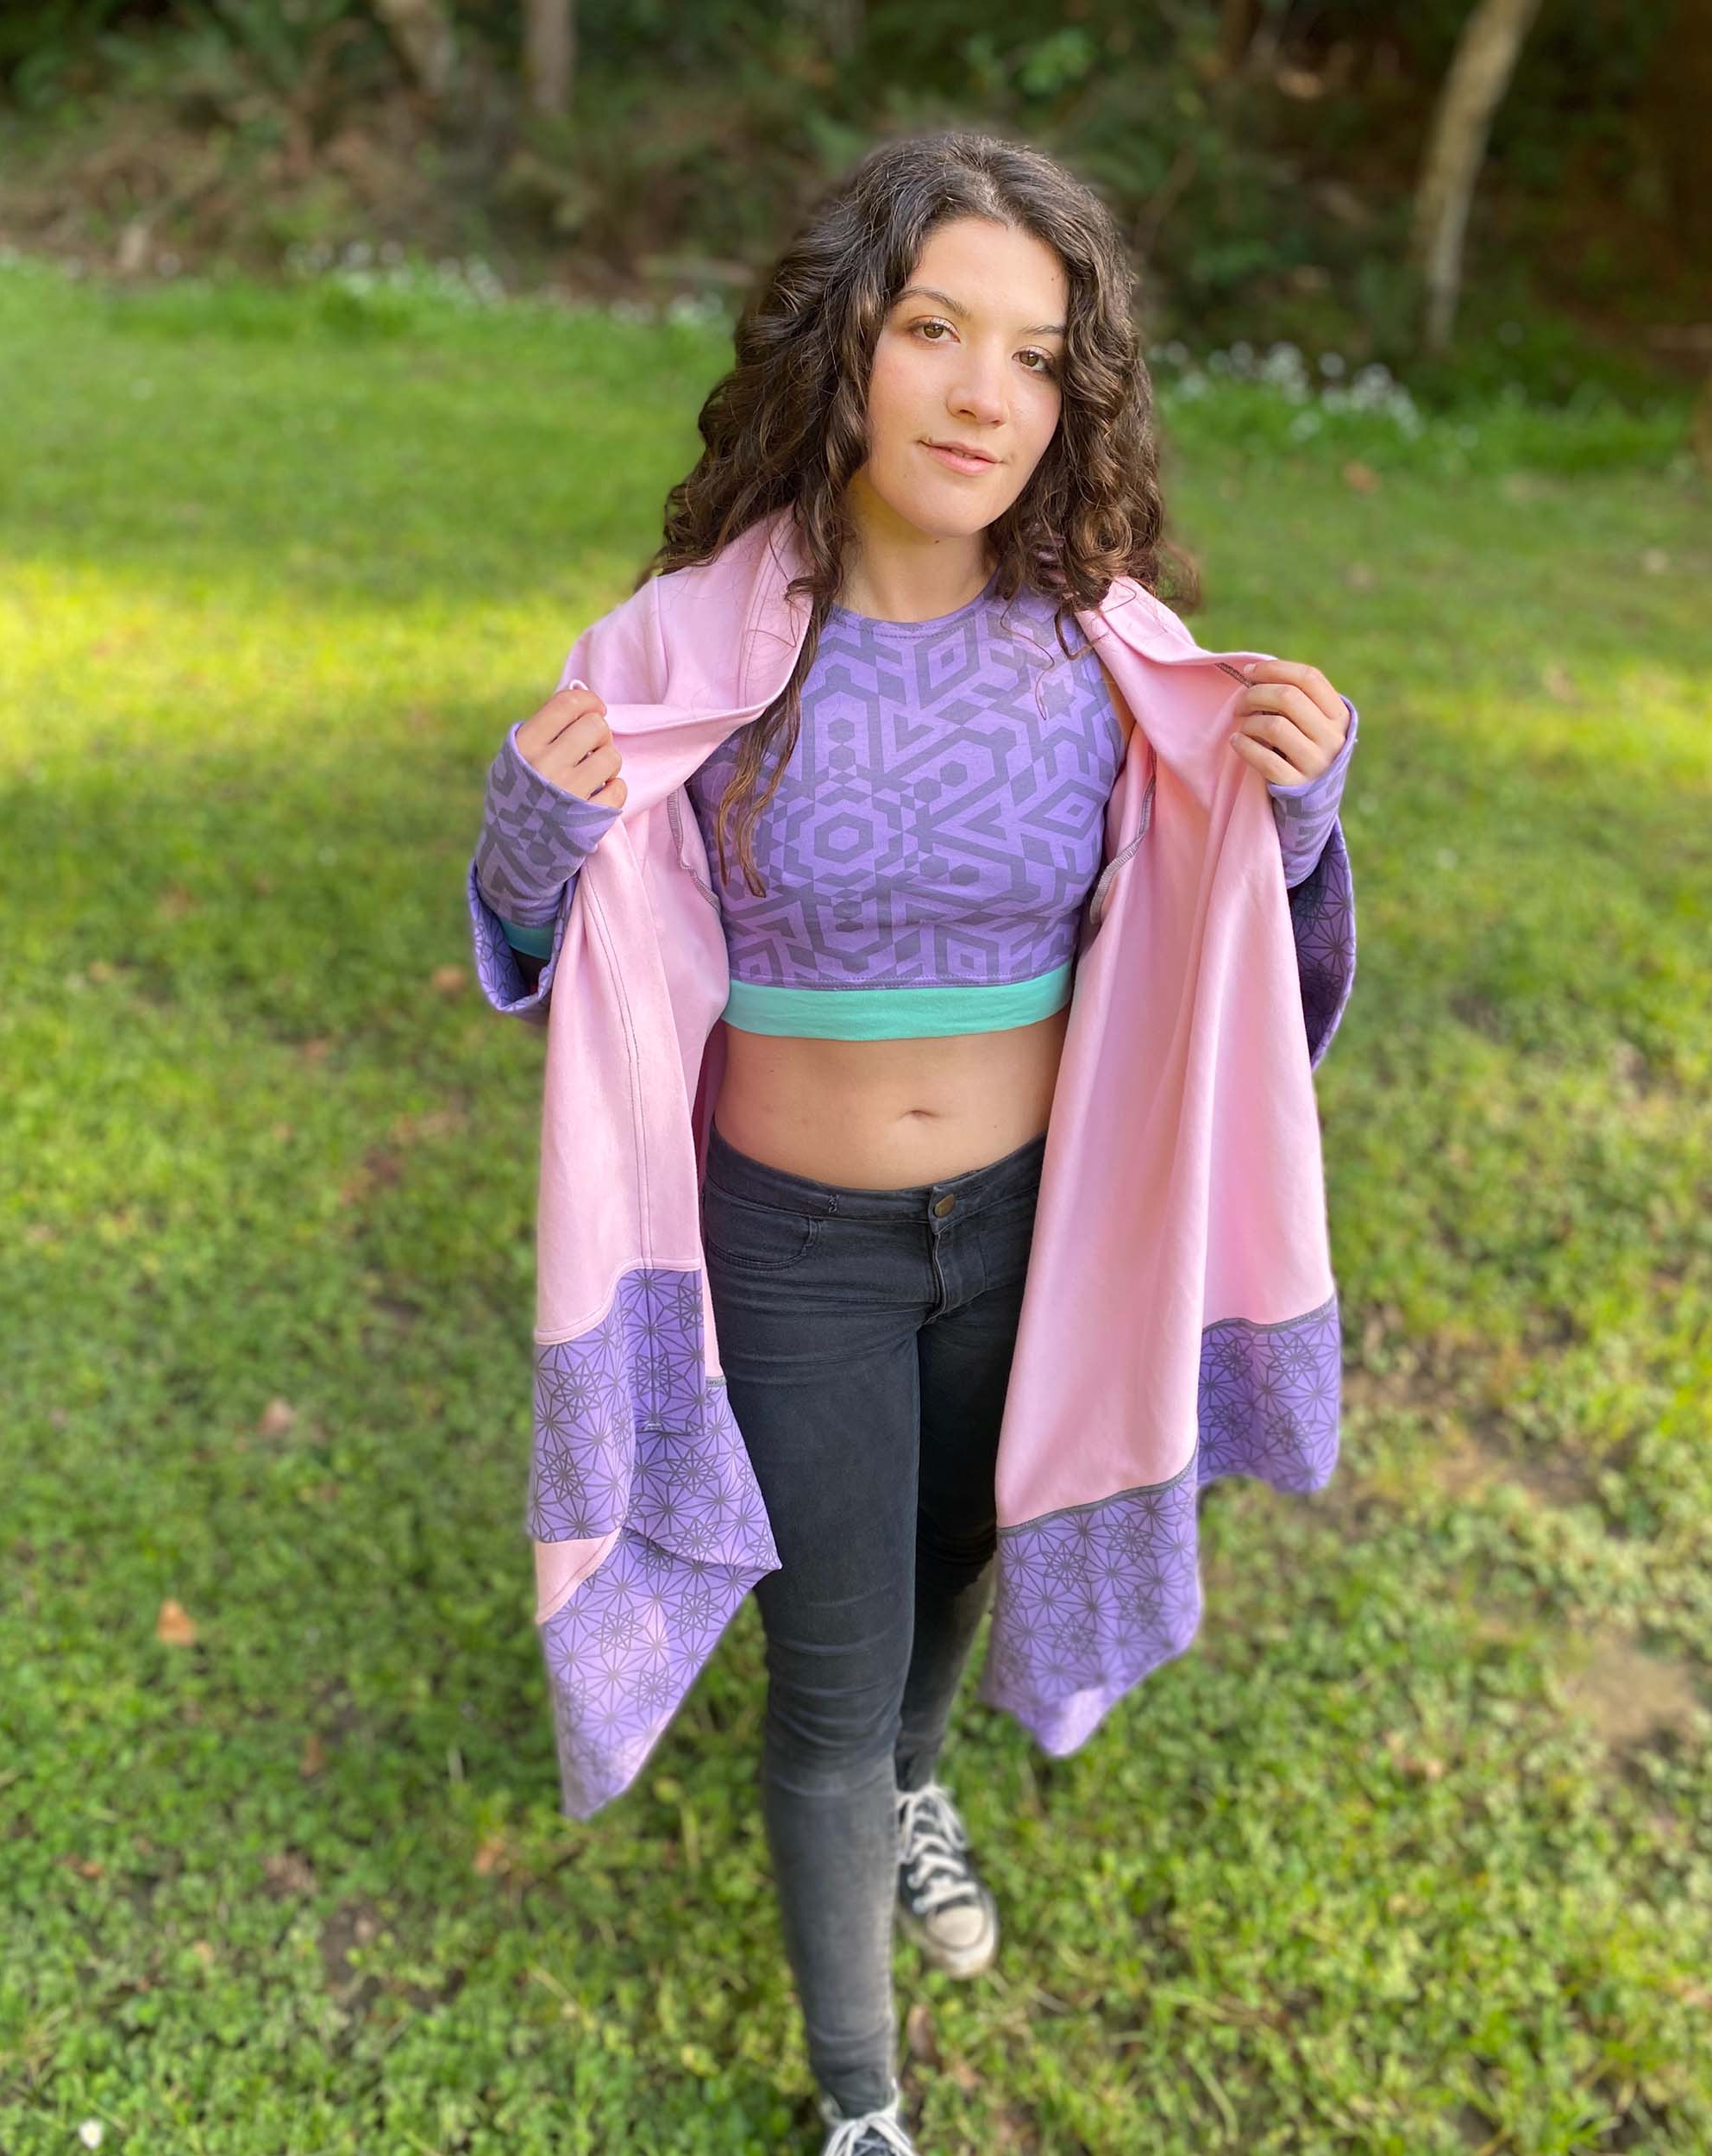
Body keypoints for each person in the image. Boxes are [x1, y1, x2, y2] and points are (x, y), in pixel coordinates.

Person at [472, 129, 1356, 2156]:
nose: (984, 394)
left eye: (1038, 358)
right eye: (937, 330)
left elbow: (1224, 957)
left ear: (1076, 399)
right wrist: (525, 843)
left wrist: (1293, 823)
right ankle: (861, 2103)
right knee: (826, 1665)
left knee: (966, 1545)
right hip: (792, 1244)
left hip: (1038, 1232)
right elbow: (555, 951)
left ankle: (921, 1774)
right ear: (840, 346)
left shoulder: (1109, 654)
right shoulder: (690, 651)